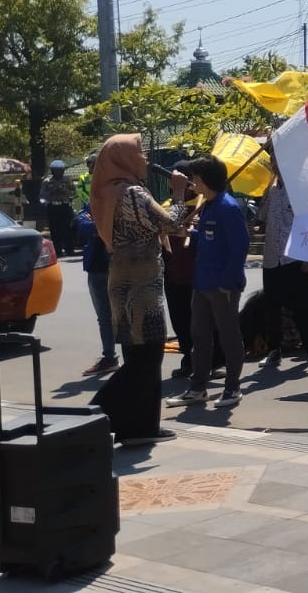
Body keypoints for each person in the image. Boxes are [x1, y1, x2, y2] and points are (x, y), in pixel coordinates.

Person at [88, 134, 193, 447]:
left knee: (140, 356)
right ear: (124, 158)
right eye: (141, 154)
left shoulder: (110, 190)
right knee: (146, 359)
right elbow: (169, 224)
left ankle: (138, 427)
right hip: (141, 287)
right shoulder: (131, 192)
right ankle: (95, 413)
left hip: (124, 281)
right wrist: (177, 194)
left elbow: (151, 224)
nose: (146, 160)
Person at [164, 155, 250, 409]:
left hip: (222, 286)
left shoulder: (228, 207)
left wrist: (227, 283)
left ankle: (232, 387)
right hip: (201, 284)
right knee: (199, 336)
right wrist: (191, 233)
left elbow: (239, 247)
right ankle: (198, 388)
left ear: (207, 179)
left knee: (228, 336)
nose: (192, 182)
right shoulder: (210, 205)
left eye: (196, 178)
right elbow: (211, 237)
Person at [258, 154, 308, 369]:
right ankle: (274, 350)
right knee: (272, 308)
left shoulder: (299, 191)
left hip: (293, 257)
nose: (276, 167)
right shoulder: (270, 190)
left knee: (301, 306)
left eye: (280, 162)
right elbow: (262, 218)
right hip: (271, 258)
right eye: (273, 163)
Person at [161, 165, 200, 380]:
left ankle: (206, 360)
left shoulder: (203, 206)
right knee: (180, 319)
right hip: (173, 273)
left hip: (196, 274)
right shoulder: (168, 207)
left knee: (200, 321)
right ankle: (188, 357)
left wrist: (197, 227)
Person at [77, 202, 117, 376]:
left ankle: (134, 360)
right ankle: (109, 357)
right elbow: (82, 225)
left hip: (118, 268)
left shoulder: (121, 201)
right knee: (104, 317)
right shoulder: (92, 205)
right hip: (95, 269)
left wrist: (100, 224)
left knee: (126, 315)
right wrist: (105, 223)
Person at [40, 160, 78, 257]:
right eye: (56, 170)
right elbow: (42, 196)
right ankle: (58, 251)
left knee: (67, 229)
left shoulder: (67, 180)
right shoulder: (47, 181)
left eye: (60, 170)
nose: (58, 172)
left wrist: (64, 190)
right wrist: (52, 191)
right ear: (52, 171)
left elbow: (74, 193)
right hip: (52, 207)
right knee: (55, 230)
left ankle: (70, 250)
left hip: (64, 206)